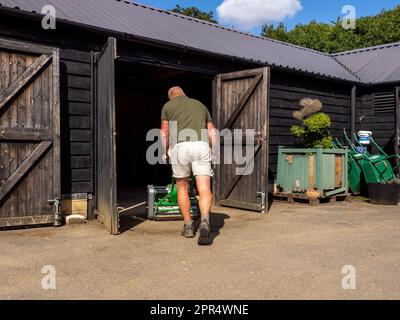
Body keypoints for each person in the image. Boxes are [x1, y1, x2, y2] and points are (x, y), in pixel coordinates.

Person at [160, 86, 217, 246]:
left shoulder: (168, 106)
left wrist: (165, 152)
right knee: (204, 189)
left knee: (182, 187)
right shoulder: (200, 105)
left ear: (171, 96)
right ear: (184, 93)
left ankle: (188, 226)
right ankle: (205, 222)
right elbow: (212, 133)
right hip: (201, 146)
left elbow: (164, 133)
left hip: (180, 148)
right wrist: (213, 152)